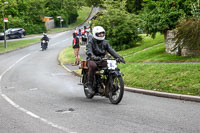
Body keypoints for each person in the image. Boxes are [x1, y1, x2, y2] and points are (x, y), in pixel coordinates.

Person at [86, 26, 125, 94]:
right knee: (93, 66)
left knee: (112, 67)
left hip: (102, 59)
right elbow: (89, 51)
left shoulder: (105, 42)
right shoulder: (91, 42)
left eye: (102, 33)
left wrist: (118, 57)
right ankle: (89, 84)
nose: (101, 35)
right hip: (92, 59)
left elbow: (111, 50)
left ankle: (110, 85)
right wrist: (93, 57)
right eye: (99, 34)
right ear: (95, 34)